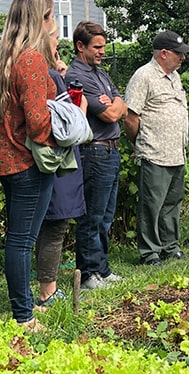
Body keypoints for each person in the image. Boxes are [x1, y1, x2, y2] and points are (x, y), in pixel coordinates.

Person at [0, 0, 56, 331]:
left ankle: (26, 303)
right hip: (27, 161)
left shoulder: (6, 56)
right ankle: (24, 317)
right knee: (21, 241)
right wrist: (65, 130)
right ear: (41, 19)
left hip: (7, 158)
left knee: (18, 239)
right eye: (49, 15)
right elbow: (38, 123)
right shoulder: (31, 58)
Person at [65, 21, 128, 289]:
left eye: (103, 46)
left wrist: (114, 102)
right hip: (94, 151)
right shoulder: (76, 76)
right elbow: (113, 113)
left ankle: (102, 268)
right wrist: (113, 104)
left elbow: (122, 104)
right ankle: (88, 273)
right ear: (81, 46)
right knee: (92, 215)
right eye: (97, 47)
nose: (102, 52)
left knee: (106, 215)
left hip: (111, 150)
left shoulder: (100, 74)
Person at [124, 31, 189, 266]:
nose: (182, 59)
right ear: (164, 53)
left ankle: (170, 246)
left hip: (176, 153)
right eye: (178, 54)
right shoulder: (144, 76)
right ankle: (150, 252)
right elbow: (131, 117)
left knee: (172, 203)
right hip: (154, 152)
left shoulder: (175, 77)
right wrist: (138, 143)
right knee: (151, 205)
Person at [34, 20, 88, 307]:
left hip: (48, 162)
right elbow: (72, 125)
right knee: (55, 227)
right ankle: (48, 291)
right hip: (58, 163)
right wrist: (81, 108)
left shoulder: (44, 75)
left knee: (45, 226)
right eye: (56, 44)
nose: (59, 49)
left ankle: (46, 287)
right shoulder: (51, 78)